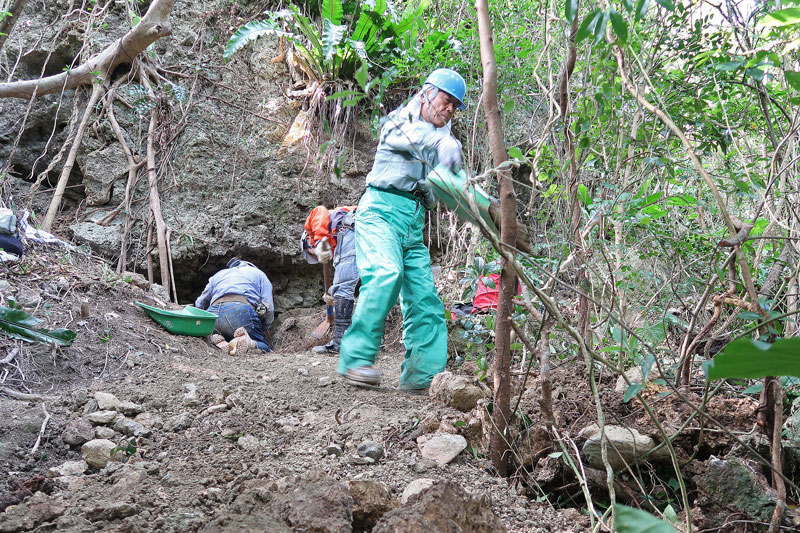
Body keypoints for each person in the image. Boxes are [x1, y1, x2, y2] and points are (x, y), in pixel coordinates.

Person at [337, 68, 467, 391]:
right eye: (445, 100)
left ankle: (421, 378)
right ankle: (355, 359)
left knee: (426, 299)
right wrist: (443, 143)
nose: (449, 109)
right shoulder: (400, 122)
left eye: (455, 106)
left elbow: (447, 188)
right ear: (426, 93)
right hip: (380, 211)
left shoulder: (443, 139)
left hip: (414, 222)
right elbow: (418, 138)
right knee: (385, 273)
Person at [301, 205, 359, 354]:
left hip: (351, 225)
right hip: (371, 226)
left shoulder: (311, 230)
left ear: (308, 241)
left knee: (343, 286)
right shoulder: (336, 243)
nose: (316, 257)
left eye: (312, 254)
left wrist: (319, 243)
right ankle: (376, 342)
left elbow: (319, 210)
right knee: (374, 283)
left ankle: (340, 343)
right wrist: (333, 295)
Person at [195, 257, 274, 354]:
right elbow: (267, 305)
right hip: (240, 312)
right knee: (264, 346)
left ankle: (215, 341)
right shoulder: (259, 274)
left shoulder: (218, 275)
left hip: (213, 315)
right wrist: (263, 327)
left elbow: (199, 303)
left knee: (227, 340)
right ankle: (249, 343)